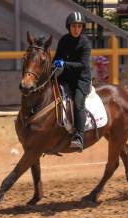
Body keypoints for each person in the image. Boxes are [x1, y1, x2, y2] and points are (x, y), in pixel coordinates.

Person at [53, 11, 91, 152]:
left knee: (78, 101)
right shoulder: (63, 40)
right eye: (74, 26)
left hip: (81, 79)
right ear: (69, 27)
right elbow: (56, 58)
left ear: (82, 28)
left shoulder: (85, 43)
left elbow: (83, 65)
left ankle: (79, 136)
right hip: (66, 77)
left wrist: (64, 64)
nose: (76, 29)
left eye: (79, 26)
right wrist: (54, 65)